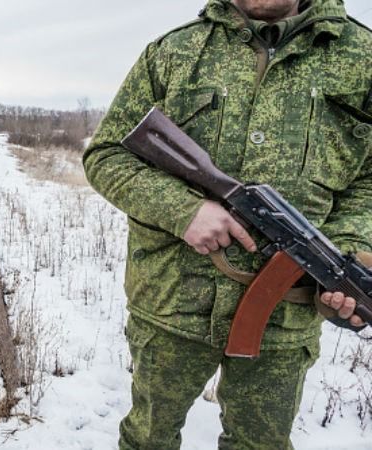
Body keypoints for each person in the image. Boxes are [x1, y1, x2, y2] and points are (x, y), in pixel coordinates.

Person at [82, 0, 372, 448]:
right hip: (171, 302)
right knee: (148, 439)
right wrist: (184, 211)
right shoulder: (174, 50)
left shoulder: (362, 57)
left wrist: (350, 250)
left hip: (284, 320)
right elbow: (107, 154)